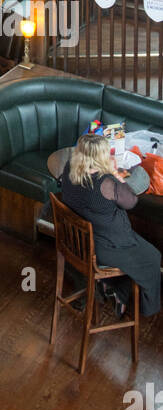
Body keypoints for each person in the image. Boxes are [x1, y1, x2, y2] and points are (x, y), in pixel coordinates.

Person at [58, 132, 160, 317]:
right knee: (153, 257)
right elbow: (131, 202)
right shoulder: (107, 184)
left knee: (137, 257)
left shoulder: (69, 168)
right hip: (105, 247)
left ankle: (112, 288)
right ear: (101, 157)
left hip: (76, 241)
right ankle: (148, 310)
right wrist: (115, 174)